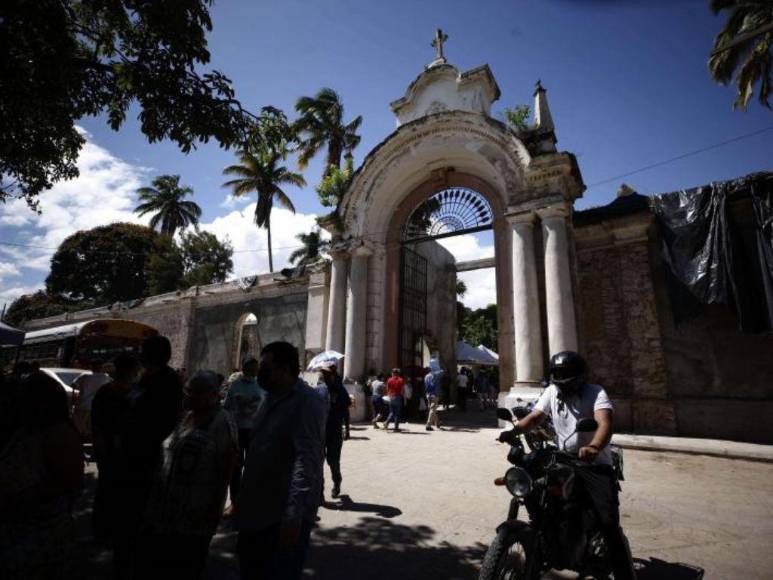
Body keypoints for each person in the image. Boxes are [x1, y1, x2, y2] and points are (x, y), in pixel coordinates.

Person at [504, 351, 636, 580]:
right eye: (558, 376)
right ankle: (544, 534)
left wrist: (594, 447)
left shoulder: (596, 393)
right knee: (535, 488)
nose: (562, 382)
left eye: (567, 377)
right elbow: (536, 417)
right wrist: (513, 431)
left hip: (593, 464)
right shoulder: (552, 391)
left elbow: (604, 423)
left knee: (608, 522)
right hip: (562, 458)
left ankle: (625, 574)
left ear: (579, 377)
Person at [236, 342, 327, 580]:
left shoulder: (308, 402)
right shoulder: (270, 396)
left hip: (281, 515)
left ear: (284, 369)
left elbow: (306, 461)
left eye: (266, 367)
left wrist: (294, 514)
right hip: (256, 509)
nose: (259, 372)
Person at [135, 371, 238, 578]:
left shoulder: (222, 422)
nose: (188, 397)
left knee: (187, 563)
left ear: (212, 395)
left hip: (197, 511)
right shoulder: (186, 418)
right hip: (166, 508)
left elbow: (227, 467)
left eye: (195, 393)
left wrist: (215, 507)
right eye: (187, 391)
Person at [0, 372, 84, 579]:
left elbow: (67, 482)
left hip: (39, 534)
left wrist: (19, 499)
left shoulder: (58, 433)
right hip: (19, 531)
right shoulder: (27, 429)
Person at [112, 335, 183, 578]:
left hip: (147, 458)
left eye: (142, 350)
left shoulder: (164, 381)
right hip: (137, 455)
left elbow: (155, 419)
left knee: (141, 514)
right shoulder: (149, 378)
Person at [91, 353, 141, 543]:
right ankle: (106, 529)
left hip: (120, 448)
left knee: (111, 489)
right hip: (114, 447)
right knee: (109, 488)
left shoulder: (111, 391)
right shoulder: (120, 392)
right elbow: (98, 424)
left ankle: (107, 528)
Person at [223, 356, 265, 515]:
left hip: (255, 431)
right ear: (244, 368)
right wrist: (238, 407)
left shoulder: (261, 386)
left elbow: (266, 407)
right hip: (238, 431)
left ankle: (251, 501)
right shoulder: (235, 385)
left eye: (255, 368)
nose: (254, 371)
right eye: (251, 367)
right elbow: (226, 407)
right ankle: (234, 502)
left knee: (253, 465)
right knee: (235, 467)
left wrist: (255, 407)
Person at [319, 362, 351, 498]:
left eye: (327, 374)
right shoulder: (320, 389)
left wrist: (347, 430)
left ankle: (337, 482)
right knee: (318, 460)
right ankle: (319, 491)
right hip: (320, 430)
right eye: (323, 373)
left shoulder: (341, 390)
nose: (324, 376)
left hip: (335, 430)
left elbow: (346, 411)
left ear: (333, 374)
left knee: (333, 460)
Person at [72, 359, 112, 438]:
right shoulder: (105, 377)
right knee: (94, 428)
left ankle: (77, 442)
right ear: (101, 367)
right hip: (98, 406)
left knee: (78, 427)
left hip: (83, 405)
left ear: (91, 367)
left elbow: (73, 385)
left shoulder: (84, 376)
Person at [383, 368, 405, 432]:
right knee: (397, 413)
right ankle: (396, 427)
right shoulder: (401, 380)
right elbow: (402, 390)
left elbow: (387, 389)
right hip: (397, 397)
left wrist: (388, 395)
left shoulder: (389, 380)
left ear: (392, 373)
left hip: (391, 397)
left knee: (392, 412)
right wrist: (403, 397)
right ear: (398, 373)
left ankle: (386, 422)